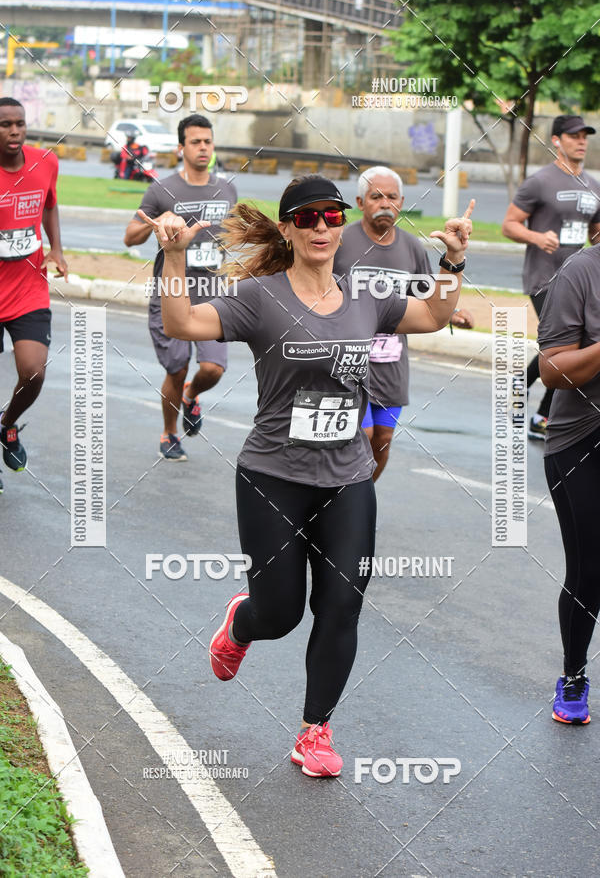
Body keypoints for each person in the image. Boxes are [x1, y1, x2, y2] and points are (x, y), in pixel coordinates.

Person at [138, 175, 475, 777]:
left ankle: (314, 730)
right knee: (282, 613)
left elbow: (431, 315)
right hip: (274, 476)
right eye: (309, 217)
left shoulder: (365, 297)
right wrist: (171, 255)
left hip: (348, 477)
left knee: (343, 604)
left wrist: (452, 259)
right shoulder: (263, 298)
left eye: (331, 216)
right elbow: (184, 324)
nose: (323, 226)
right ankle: (243, 621)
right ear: (290, 228)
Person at [334, 166, 474, 480]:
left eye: (392, 197)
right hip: (348, 364)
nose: (385, 203)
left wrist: (451, 313)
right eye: (376, 197)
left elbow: (427, 299)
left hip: (391, 365)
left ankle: (361, 499)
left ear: (402, 201)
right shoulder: (341, 241)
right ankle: (340, 506)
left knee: (382, 440)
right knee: (362, 436)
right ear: (360, 201)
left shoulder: (411, 247)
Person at [124, 114, 237, 461]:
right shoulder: (162, 189)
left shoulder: (227, 189)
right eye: (195, 142)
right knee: (176, 368)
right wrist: (154, 225)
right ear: (181, 148)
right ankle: (170, 433)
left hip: (213, 293)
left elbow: (231, 235)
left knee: (213, 369)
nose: (203, 147)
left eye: (208, 141)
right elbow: (130, 237)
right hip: (171, 291)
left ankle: (191, 396)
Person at [502, 114, 600, 441]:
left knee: (570, 345)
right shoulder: (540, 182)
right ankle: (543, 415)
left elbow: (596, 232)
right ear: (556, 140)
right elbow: (510, 224)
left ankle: (520, 383)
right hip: (545, 279)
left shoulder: (593, 186)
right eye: (573, 135)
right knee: (565, 347)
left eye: (585, 135)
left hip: (581, 282)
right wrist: (536, 237)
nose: (581, 141)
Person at [538, 243, 600, 725]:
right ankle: (574, 676)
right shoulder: (580, 272)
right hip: (582, 441)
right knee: (590, 567)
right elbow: (552, 370)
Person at [0, 97, 68, 494]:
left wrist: (56, 248)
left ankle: (7, 425)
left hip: (28, 288)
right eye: (5, 124)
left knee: (33, 371)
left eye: (19, 124)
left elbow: (50, 205)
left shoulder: (46, 162)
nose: (14, 131)